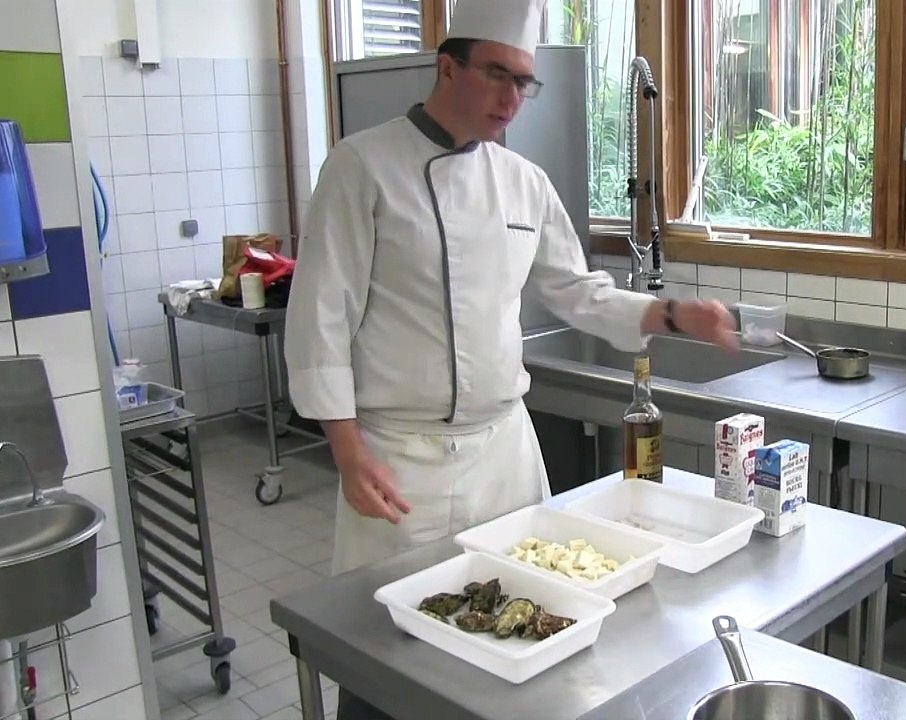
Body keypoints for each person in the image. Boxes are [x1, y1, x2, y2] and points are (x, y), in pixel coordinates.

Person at [283, 0, 737, 715]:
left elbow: (577, 291)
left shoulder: (523, 181)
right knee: (388, 657)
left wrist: (673, 313)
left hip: (503, 457)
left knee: (519, 642)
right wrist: (346, 450)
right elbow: (320, 319)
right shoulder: (361, 167)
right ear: (448, 67)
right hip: (400, 459)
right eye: (498, 75)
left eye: (524, 82)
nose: (512, 97)